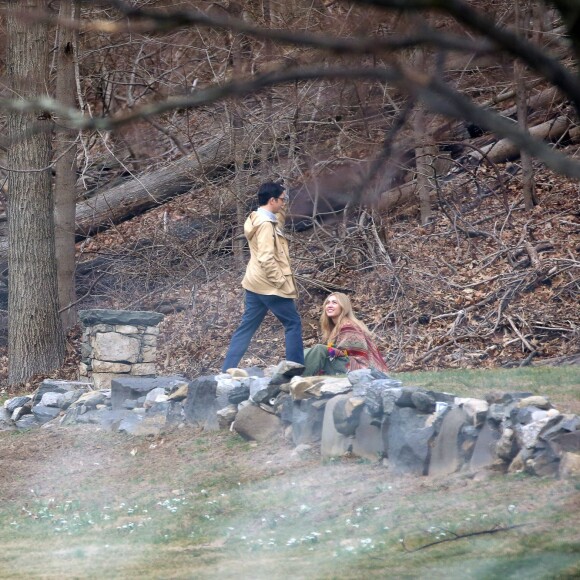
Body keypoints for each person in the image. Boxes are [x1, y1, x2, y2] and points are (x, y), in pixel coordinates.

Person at [221, 181, 304, 371]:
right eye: (282, 200)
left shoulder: (255, 217)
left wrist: (284, 200)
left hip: (253, 282)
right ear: (272, 200)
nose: (284, 203)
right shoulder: (266, 225)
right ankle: (295, 370)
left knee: (246, 328)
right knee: (293, 323)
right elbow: (267, 258)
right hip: (269, 283)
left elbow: (278, 221)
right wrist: (281, 282)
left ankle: (226, 371)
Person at [303, 292, 389, 376]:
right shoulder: (336, 327)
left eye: (334, 303)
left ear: (343, 307)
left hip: (359, 369)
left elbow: (351, 354)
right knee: (312, 352)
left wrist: (326, 350)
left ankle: (298, 379)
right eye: (327, 303)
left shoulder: (348, 326)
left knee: (319, 350)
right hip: (348, 365)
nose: (329, 305)